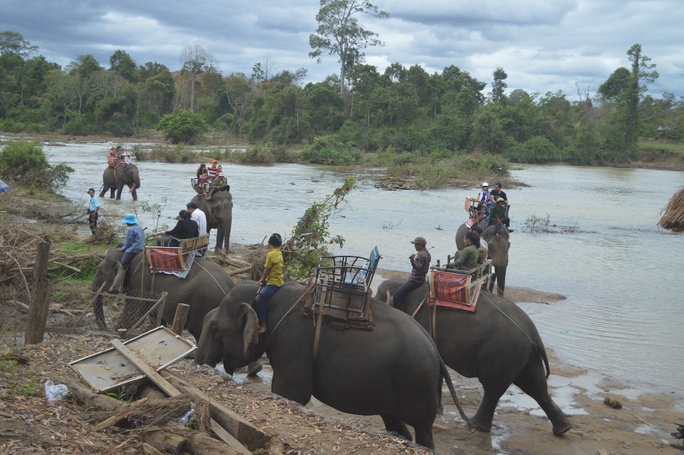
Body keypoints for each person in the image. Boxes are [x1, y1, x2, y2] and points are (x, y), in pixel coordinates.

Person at [393, 236, 431, 313]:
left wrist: (412, 260)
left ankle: (398, 312)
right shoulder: (427, 254)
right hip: (422, 278)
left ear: (420, 245)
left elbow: (418, 268)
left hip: (415, 280)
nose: (414, 246)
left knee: (397, 294)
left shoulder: (420, 256)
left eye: (416, 244)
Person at [255, 233, 284, 334]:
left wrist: (262, 280)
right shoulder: (279, 253)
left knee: (260, 299)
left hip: (273, 283)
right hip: (279, 280)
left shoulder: (270, 254)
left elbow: (266, 270)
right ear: (280, 244)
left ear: (269, 243)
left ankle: (263, 325)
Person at [112, 214, 145, 291]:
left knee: (122, 265)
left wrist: (122, 249)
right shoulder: (140, 228)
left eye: (126, 222)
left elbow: (128, 242)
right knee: (120, 244)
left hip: (133, 249)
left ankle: (117, 285)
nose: (126, 223)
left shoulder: (131, 229)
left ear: (129, 222)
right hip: (141, 247)